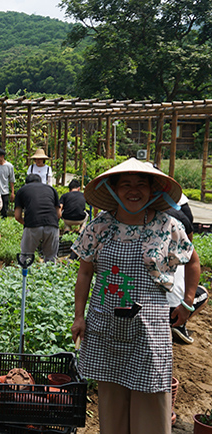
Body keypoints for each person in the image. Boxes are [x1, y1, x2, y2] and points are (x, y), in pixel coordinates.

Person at [70, 158, 199, 434]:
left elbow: (192, 261)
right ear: (112, 188)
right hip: (106, 327)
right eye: (126, 184)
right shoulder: (98, 227)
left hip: (149, 330)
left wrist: (187, 303)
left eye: (141, 184)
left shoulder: (167, 225)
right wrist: (79, 316)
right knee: (111, 403)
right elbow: (84, 274)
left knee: (152, 401)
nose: (133, 190)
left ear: (153, 190)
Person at [164, 206, 208, 344]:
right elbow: (193, 260)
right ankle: (179, 324)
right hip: (171, 309)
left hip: (144, 308)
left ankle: (177, 321)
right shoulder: (176, 221)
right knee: (203, 293)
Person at [14, 173, 61, 262]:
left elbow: (17, 216)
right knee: (51, 258)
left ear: (26, 183)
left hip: (32, 225)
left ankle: (26, 275)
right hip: (52, 225)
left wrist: (27, 223)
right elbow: (58, 214)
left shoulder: (22, 190)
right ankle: (49, 275)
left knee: (26, 258)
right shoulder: (51, 189)